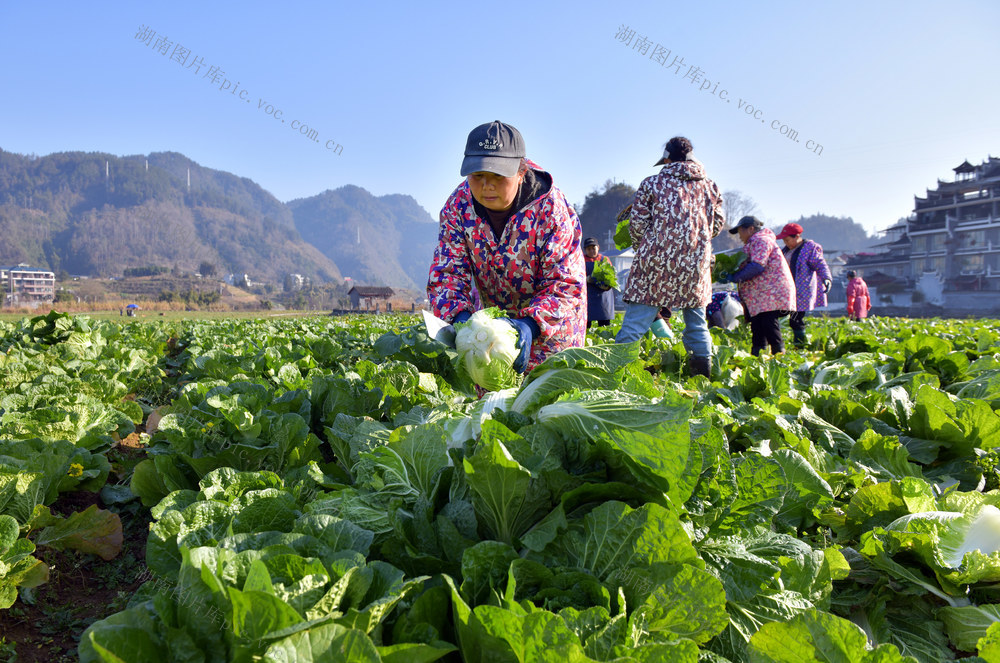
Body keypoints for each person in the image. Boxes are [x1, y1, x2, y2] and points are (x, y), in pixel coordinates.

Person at [427, 120, 587, 372]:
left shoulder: (550, 209)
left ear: (521, 171)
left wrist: (530, 325)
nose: (486, 186)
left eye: (498, 176)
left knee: (546, 399)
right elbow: (448, 274)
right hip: (491, 331)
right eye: (478, 175)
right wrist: (460, 319)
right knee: (494, 402)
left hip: (550, 327)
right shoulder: (457, 208)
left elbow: (564, 283)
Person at [615, 136, 725, 378]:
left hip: (655, 262)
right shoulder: (710, 186)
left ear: (667, 158)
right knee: (697, 322)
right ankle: (700, 380)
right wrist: (695, 242)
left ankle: (615, 374)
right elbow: (717, 223)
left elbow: (637, 225)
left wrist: (649, 246)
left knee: (635, 323)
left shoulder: (652, 183)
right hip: (695, 263)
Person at [720, 216, 796, 356]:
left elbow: (757, 266)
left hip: (770, 292)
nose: (740, 236)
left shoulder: (761, 240)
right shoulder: (754, 242)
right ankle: (757, 358)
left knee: (768, 323)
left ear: (751, 229)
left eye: (740, 231)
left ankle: (780, 357)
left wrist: (735, 277)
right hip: (761, 294)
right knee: (757, 325)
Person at [776, 222, 832, 347]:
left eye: (787, 239)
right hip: (786, 290)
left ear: (797, 236)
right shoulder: (785, 250)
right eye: (784, 240)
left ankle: (800, 346)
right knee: (774, 315)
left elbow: (820, 264)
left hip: (801, 290)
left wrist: (826, 278)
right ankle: (779, 345)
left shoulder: (810, 248)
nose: (785, 242)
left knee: (795, 320)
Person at [583, 237, 615, 327]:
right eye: (589, 249)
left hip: (603, 298)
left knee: (604, 325)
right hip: (587, 297)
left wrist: (607, 285)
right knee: (586, 325)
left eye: (593, 248)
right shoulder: (581, 260)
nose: (592, 251)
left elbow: (612, 276)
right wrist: (585, 279)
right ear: (585, 250)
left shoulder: (605, 260)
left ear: (598, 247)